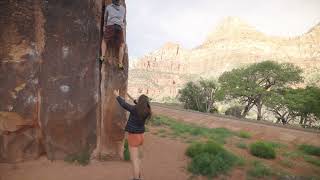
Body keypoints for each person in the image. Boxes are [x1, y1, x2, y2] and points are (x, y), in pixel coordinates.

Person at [114, 90, 152, 180]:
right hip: (141, 136)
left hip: (134, 136)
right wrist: (128, 95)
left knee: (134, 160)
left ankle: (136, 178)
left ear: (140, 102)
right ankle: (139, 176)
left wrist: (117, 96)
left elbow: (124, 105)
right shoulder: (147, 110)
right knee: (137, 159)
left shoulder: (135, 109)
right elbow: (137, 103)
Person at [100, 0, 126, 70]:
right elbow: (123, 20)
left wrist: (104, 27)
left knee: (104, 40)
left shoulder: (108, 7)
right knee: (122, 45)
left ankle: (102, 57)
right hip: (119, 28)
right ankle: (120, 63)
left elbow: (105, 18)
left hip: (110, 26)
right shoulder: (123, 9)